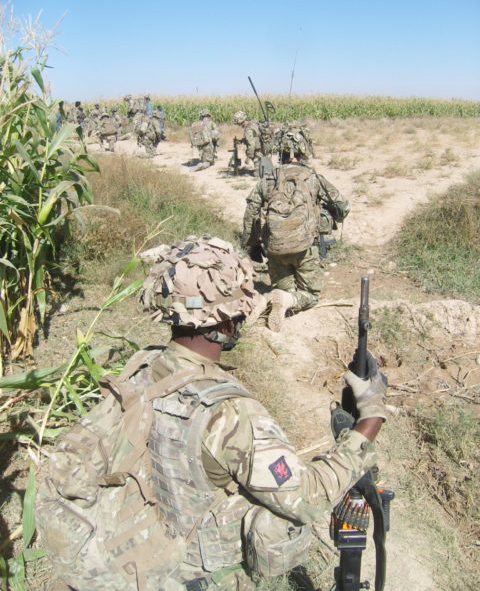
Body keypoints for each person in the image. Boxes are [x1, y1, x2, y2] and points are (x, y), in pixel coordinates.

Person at [37, 236, 387, 591]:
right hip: (203, 576)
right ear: (226, 323)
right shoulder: (230, 413)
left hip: (157, 550)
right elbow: (306, 499)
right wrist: (370, 418)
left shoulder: (145, 365)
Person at [242, 123, 350, 331]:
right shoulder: (313, 178)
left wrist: (252, 245)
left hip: (274, 249)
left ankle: (266, 299)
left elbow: (250, 214)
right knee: (310, 295)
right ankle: (286, 300)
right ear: (304, 151)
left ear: (279, 152)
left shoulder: (268, 178)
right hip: (306, 249)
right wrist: (329, 216)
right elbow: (343, 206)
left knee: (284, 287)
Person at [232, 110, 262, 175]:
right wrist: (242, 141)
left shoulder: (248, 129)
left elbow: (251, 144)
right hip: (261, 149)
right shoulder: (253, 124)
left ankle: (259, 170)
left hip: (258, 152)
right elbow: (254, 137)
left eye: (238, 123)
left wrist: (248, 157)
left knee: (257, 174)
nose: (239, 125)